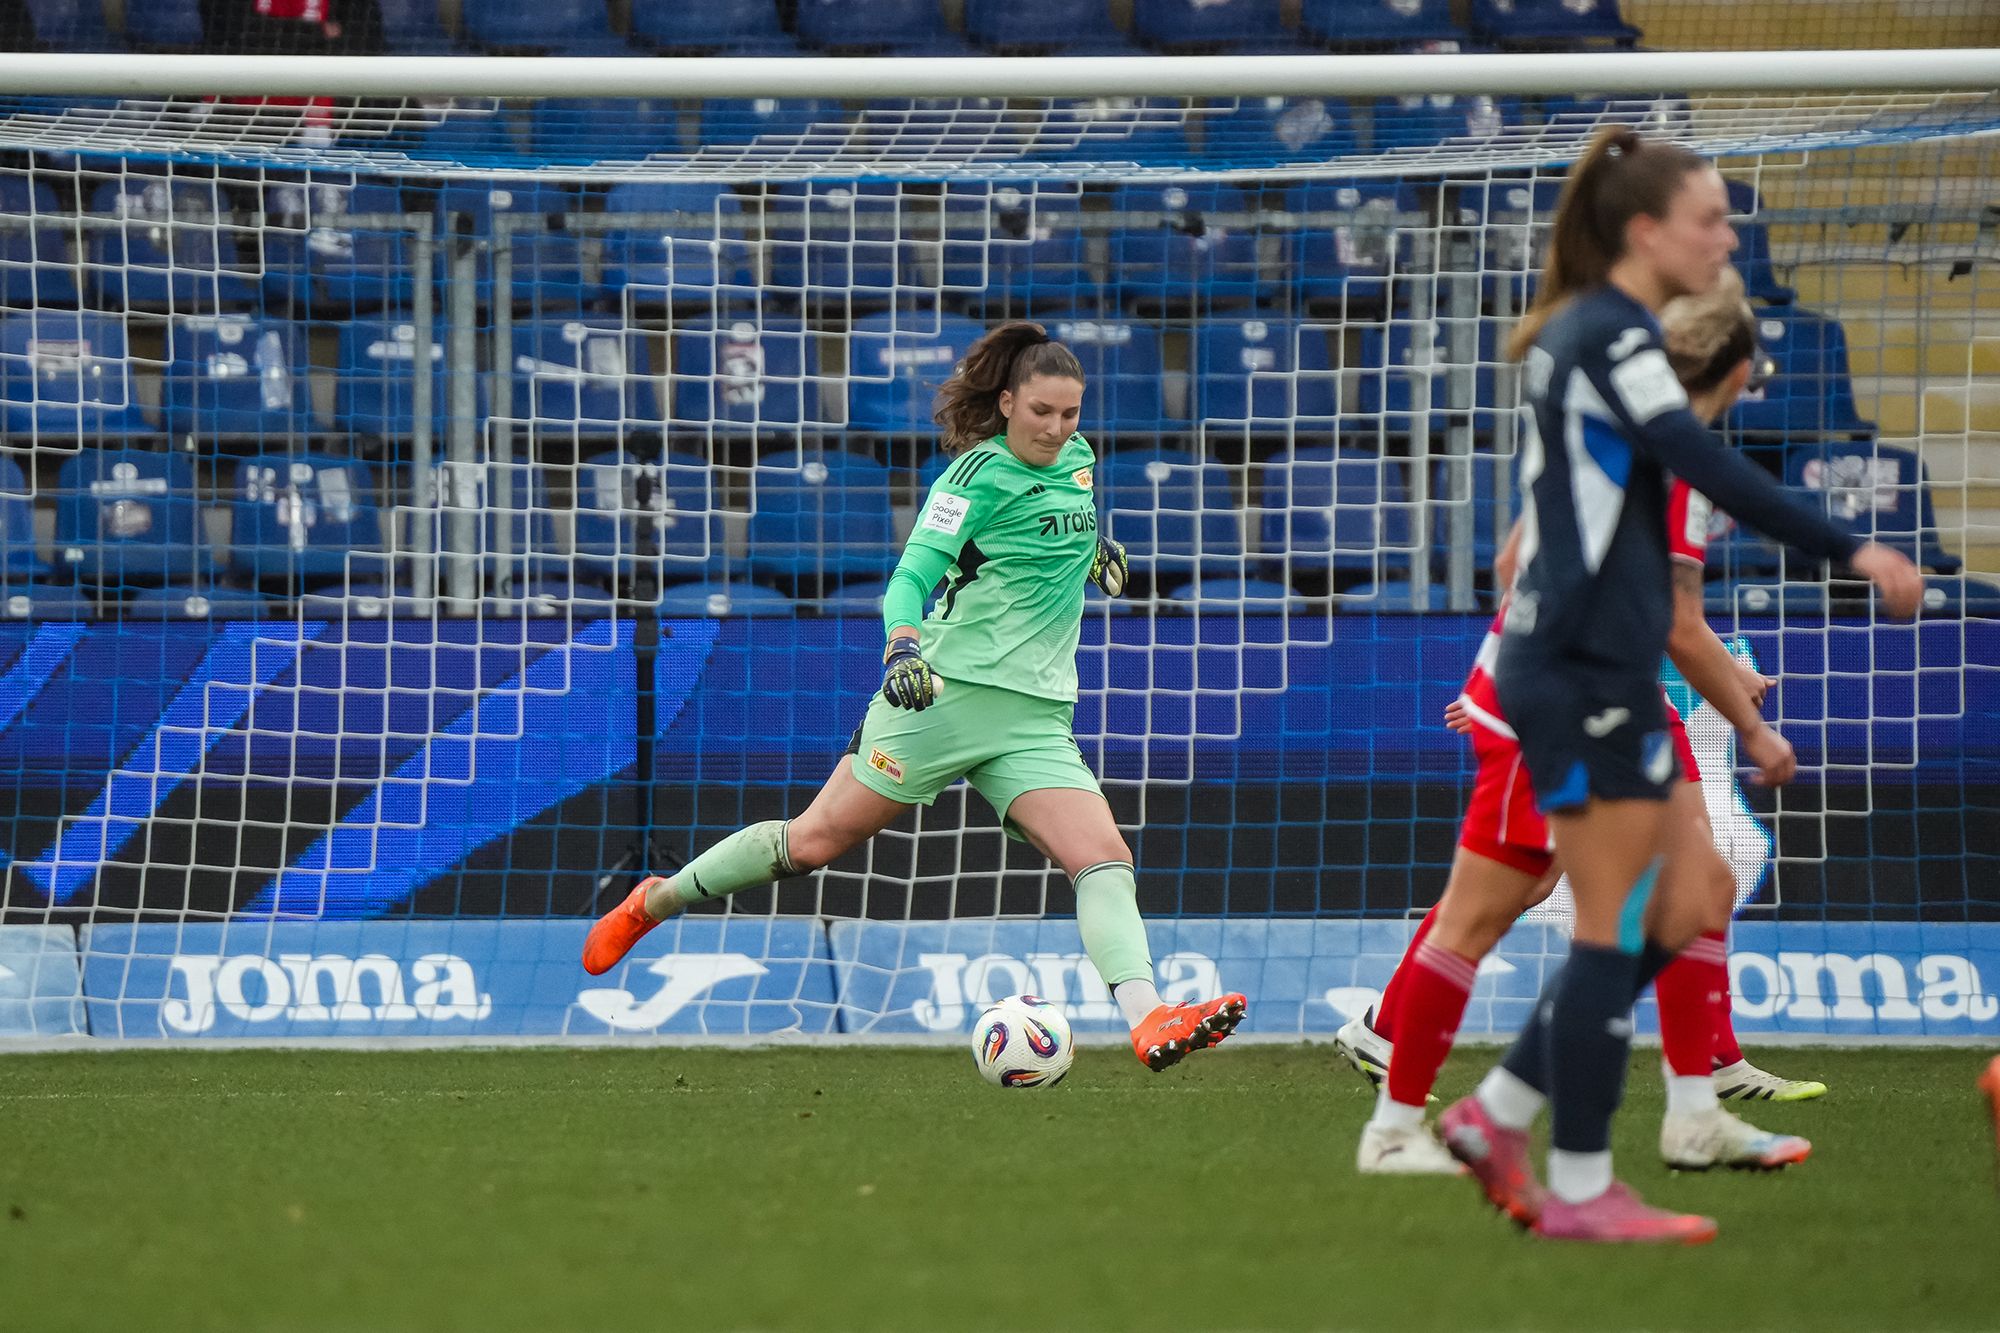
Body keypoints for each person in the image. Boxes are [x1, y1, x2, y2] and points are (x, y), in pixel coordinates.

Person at [1430, 126, 1921, 1244]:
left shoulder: (1596, 331)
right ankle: (1577, 1179)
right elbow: (1696, 457)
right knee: (1620, 923)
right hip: (1577, 669)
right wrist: (1849, 547)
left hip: (1591, 660)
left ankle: (1500, 1111)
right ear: (1646, 232)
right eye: (1710, 218)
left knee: (1694, 895)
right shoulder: (1609, 333)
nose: (1727, 237)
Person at [582, 321, 1247, 1069]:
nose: (1057, 428)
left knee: (1103, 857)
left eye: (1070, 413)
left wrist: (1091, 552)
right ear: (1007, 403)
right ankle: (655, 900)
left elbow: (1043, 532)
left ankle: (1149, 1017)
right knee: (811, 843)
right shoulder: (972, 478)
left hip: (1034, 717)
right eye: (1041, 412)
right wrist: (903, 645)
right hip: (942, 697)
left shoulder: (1080, 461)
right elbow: (910, 578)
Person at [1336, 272, 1817, 1177]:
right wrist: (1752, 728)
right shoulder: (1671, 458)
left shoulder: (1601, 429)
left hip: (1602, 692)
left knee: (1697, 884)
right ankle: (1418, 1112)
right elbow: (1673, 619)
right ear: (1740, 371)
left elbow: (1520, 557)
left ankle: (1692, 1104)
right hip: (1556, 700)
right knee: (1498, 908)